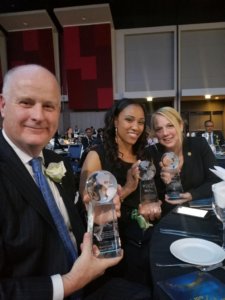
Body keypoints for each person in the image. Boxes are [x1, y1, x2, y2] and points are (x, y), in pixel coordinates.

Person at [0, 64, 124, 300]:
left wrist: (93, 217)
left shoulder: (59, 163)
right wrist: (68, 283)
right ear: (3, 105)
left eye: (49, 106)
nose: (38, 116)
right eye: (26, 102)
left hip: (89, 282)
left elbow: (65, 224)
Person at [79, 98, 161, 290]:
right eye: (129, 120)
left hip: (145, 240)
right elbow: (90, 210)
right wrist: (128, 188)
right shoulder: (96, 156)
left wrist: (152, 205)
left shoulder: (145, 156)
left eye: (141, 122)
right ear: (115, 121)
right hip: (112, 244)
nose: (136, 127)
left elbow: (150, 195)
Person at [148, 106, 219, 214]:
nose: (165, 133)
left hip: (200, 211)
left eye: (170, 125)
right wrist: (164, 182)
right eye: (159, 129)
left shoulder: (199, 144)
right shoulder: (152, 152)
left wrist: (191, 195)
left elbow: (215, 181)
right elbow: (150, 193)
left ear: (180, 125)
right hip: (168, 215)